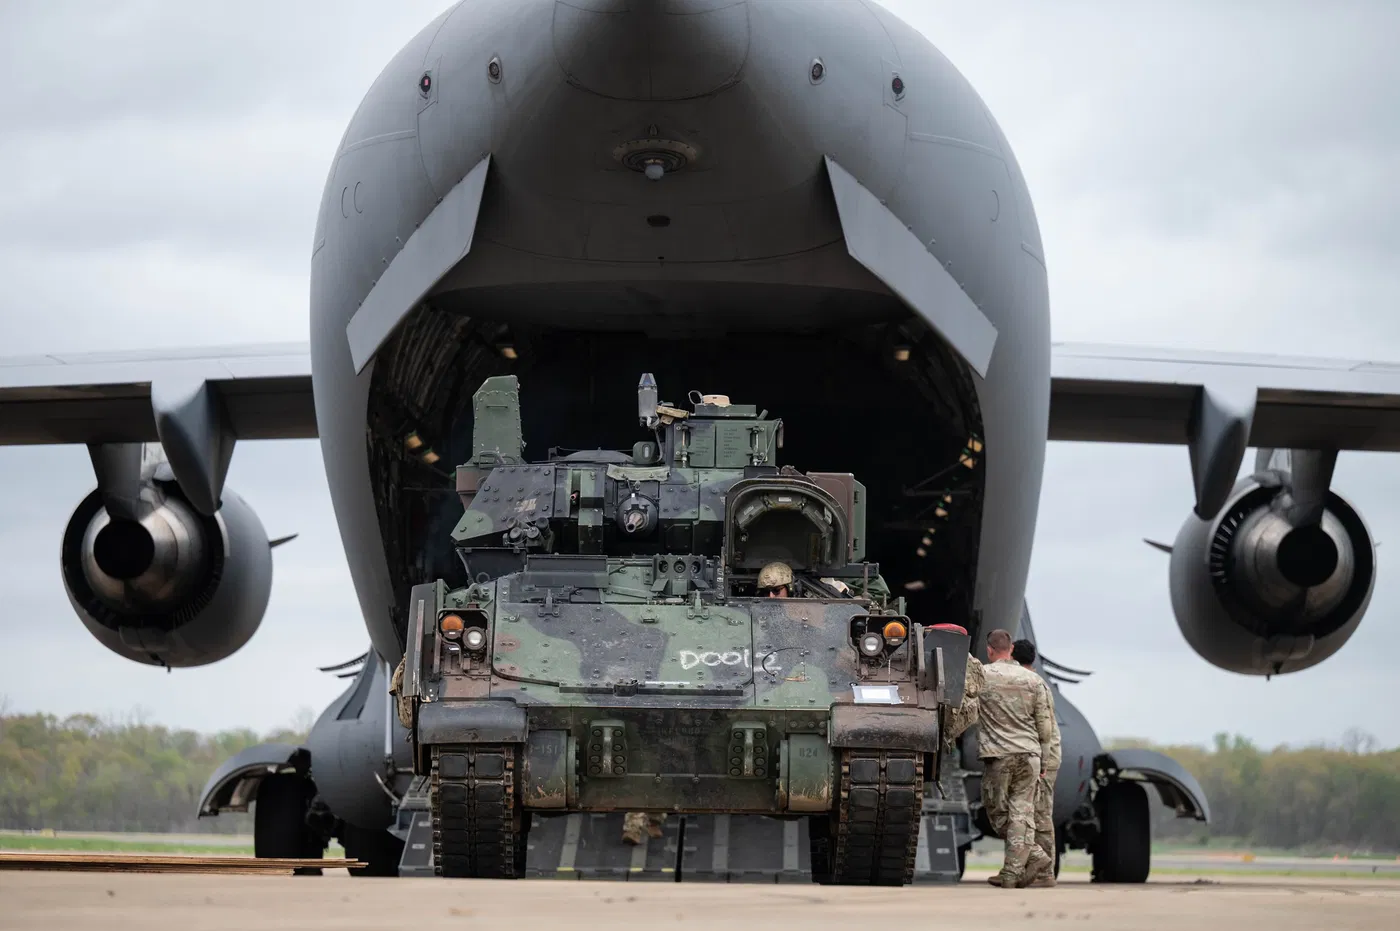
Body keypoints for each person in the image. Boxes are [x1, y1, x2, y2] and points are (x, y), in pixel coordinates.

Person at [978, 628, 1056, 889]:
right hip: (1031, 756)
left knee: (999, 814)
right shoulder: (1034, 680)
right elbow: (1045, 725)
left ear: (990, 650)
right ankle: (1011, 874)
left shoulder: (982, 676)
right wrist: (1044, 760)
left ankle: (1035, 856)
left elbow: (963, 711)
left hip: (998, 756)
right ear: (1011, 649)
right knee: (1022, 813)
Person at [1013, 638, 1061, 869]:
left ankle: (1044, 869)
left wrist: (1043, 761)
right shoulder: (1036, 682)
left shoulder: (1032, 684)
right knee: (1034, 814)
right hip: (1043, 754)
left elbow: (1044, 727)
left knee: (1039, 814)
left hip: (1044, 756)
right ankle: (1034, 867)